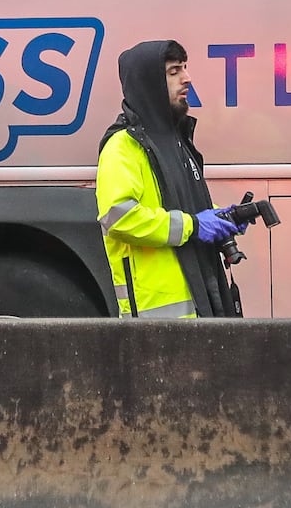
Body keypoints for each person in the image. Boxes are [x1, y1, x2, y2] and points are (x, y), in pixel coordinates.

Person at [96, 40, 245, 318]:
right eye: (174, 71)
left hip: (199, 308)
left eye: (185, 68)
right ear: (148, 82)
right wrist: (195, 225)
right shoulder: (123, 147)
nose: (187, 78)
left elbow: (186, 213)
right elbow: (118, 218)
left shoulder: (177, 141)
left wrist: (222, 220)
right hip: (158, 321)